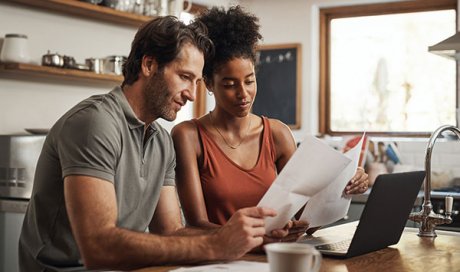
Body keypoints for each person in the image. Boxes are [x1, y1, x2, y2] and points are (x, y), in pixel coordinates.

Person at [18, 16, 278, 272]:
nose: (191, 94)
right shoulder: (95, 123)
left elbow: (171, 231)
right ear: (149, 65)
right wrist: (214, 246)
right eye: (185, 77)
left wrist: (247, 238)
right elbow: (99, 247)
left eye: (197, 82)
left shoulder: (161, 141)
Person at [172, 6, 369, 240]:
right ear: (209, 84)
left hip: (274, 257)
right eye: (229, 84)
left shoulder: (277, 134)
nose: (243, 93)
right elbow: (196, 226)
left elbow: (307, 220)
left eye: (249, 81)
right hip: (220, 261)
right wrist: (259, 238)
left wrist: (344, 188)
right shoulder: (188, 135)